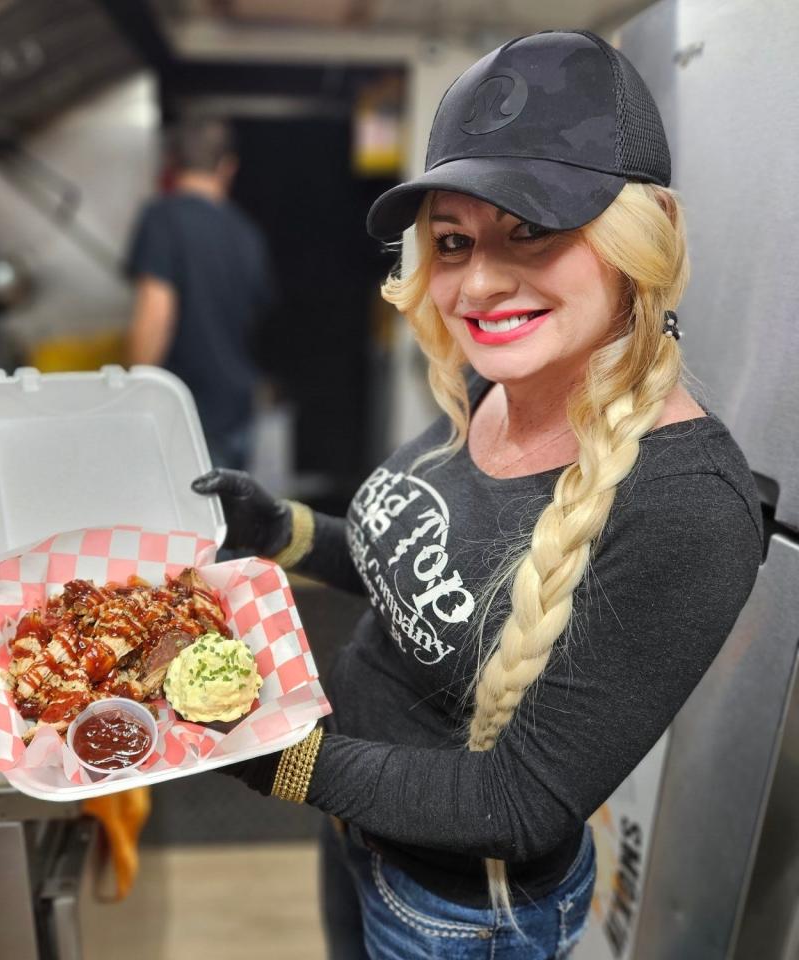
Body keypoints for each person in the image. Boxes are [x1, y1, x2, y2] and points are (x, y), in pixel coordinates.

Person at [191, 30, 762, 959]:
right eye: (452, 241)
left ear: (637, 239)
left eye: (529, 230)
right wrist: (284, 530)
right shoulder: (497, 382)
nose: (480, 282)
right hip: (359, 823)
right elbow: (419, 574)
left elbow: (520, 801)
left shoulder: (689, 507)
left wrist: (283, 760)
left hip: (456, 912)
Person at [125, 117, 274, 469]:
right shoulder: (247, 234)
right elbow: (257, 318)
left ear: (173, 163)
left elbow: (155, 311)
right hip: (238, 412)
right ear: (227, 167)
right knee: (232, 521)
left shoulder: (162, 218)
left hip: (183, 418)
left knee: (179, 524)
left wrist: (129, 397)